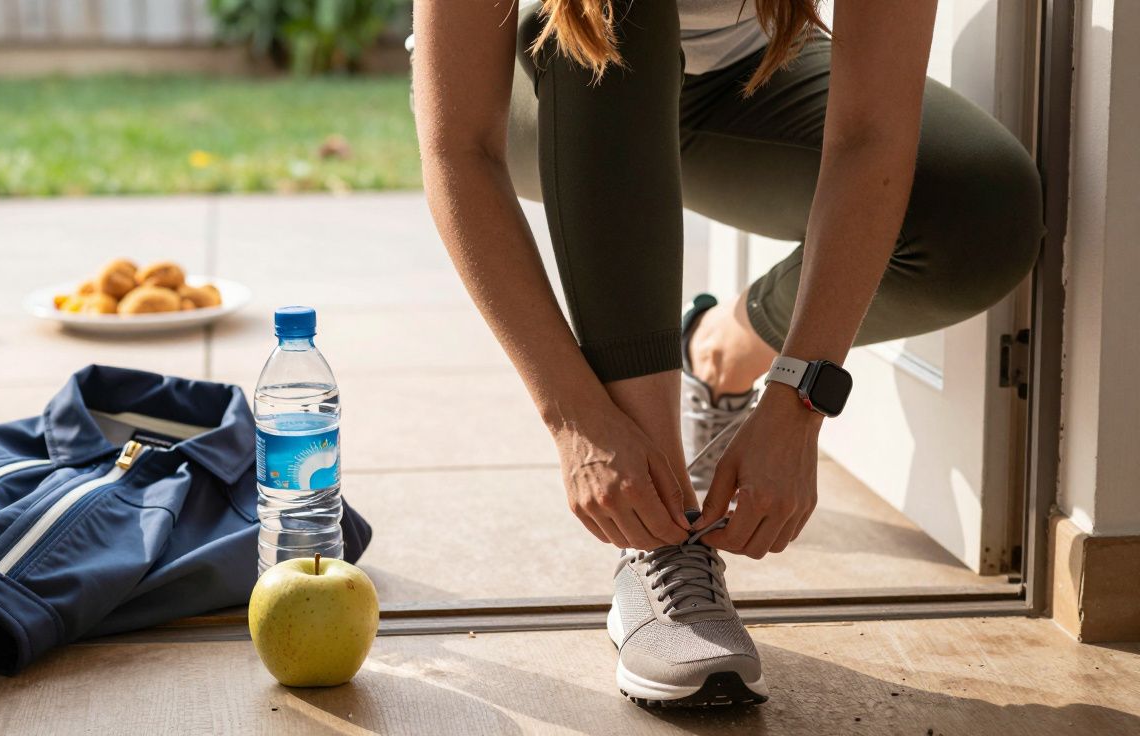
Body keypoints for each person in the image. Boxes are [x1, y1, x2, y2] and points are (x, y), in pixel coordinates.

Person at [411, 0, 1042, 707]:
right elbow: (456, 148)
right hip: (550, 79)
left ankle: (719, 349)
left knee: (981, 212)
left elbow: (870, 137)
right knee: (621, 12)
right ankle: (661, 536)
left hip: (743, 78)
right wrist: (577, 418)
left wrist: (800, 398)